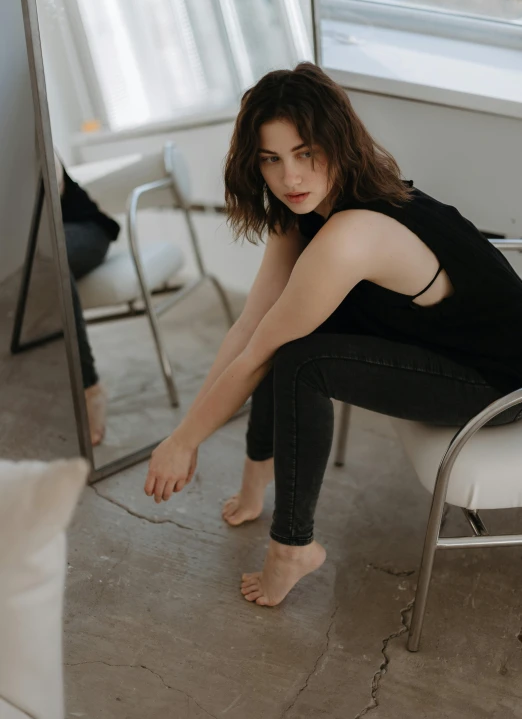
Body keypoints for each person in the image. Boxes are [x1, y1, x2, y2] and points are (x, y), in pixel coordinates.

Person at [143, 62, 522, 606]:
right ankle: (256, 486)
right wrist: (188, 440)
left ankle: (293, 548)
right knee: (279, 334)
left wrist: (183, 442)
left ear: (337, 143)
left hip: (499, 384)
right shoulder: (306, 210)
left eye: (305, 153)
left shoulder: (352, 233)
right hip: (440, 345)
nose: (289, 178)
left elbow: (263, 351)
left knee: (298, 357)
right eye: (271, 160)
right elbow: (250, 327)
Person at [54, 152, 120, 445]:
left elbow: (49, 192)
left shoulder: (20, 120)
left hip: (85, 229)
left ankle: (89, 387)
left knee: (49, 257)